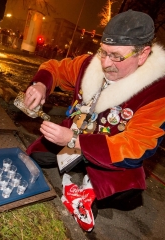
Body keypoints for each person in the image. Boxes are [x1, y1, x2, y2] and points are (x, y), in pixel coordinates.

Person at [23, 10, 165, 230]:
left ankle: (90, 185)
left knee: (128, 191)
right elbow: (55, 68)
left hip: (106, 152)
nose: (106, 63)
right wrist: (40, 86)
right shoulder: (90, 63)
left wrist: (74, 141)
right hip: (72, 136)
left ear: (143, 54)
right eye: (104, 52)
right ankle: (79, 170)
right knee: (34, 157)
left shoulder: (157, 92)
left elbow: (138, 145)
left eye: (117, 56)